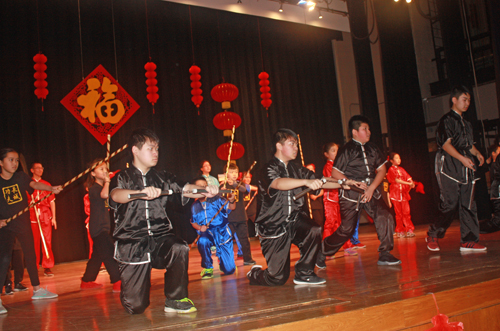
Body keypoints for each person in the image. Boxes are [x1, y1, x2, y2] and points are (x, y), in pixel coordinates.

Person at [109, 128, 218, 315]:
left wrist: (205, 190)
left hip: (160, 238)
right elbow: (116, 195)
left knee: (179, 247)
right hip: (133, 242)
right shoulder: (122, 177)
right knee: (135, 307)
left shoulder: (162, 177)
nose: (155, 153)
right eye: (150, 148)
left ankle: (175, 299)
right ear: (135, 150)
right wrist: (140, 194)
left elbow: (185, 188)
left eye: (157, 149)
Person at [247, 129, 340, 286]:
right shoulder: (268, 168)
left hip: (295, 220)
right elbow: (277, 183)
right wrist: (305, 182)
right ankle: (255, 273)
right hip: (273, 226)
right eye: (292, 144)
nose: (296, 148)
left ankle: (304, 273)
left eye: (297, 144)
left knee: (314, 229)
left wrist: (345, 184)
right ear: (279, 146)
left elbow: (321, 180)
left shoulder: (297, 168)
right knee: (277, 278)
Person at [322, 116, 401, 266]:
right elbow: (335, 173)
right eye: (365, 129)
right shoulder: (346, 150)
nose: (369, 132)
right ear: (355, 131)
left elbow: (382, 169)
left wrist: (371, 188)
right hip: (351, 194)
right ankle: (322, 251)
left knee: (385, 216)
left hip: (370, 191)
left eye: (368, 129)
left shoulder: (373, 148)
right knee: (347, 229)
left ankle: (385, 253)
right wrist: (351, 184)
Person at [0, 148, 61, 315]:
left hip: (23, 222)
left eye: (16, 160)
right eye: (10, 160)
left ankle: (37, 289)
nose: (14, 163)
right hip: (5, 226)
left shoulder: (20, 177)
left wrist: (50, 188)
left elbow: (34, 184)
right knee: (4, 259)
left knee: (31, 254)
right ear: (1, 162)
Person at [426, 86, 486, 252]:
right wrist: (461, 158)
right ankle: (433, 233)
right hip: (449, 164)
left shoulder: (466, 123)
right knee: (450, 203)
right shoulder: (446, 120)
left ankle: (468, 240)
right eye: (464, 99)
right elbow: (445, 144)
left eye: (469, 100)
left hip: (465, 165)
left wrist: (477, 153)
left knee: (469, 204)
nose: (467, 103)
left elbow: (469, 145)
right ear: (454, 100)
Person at [80, 159, 121, 292]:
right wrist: (107, 181)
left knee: (97, 256)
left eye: (105, 169)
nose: (104, 171)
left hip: (103, 227)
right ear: (92, 173)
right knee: (109, 253)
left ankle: (87, 280)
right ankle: (117, 281)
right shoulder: (93, 189)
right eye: (101, 169)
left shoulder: (103, 187)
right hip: (98, 228)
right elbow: (104, 195)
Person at [191, 177, 236, 279]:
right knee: (202, 240)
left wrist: (232, 200)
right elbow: (193, 222)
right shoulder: (194, 206)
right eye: (199, 186)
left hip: (222, 232)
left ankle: (224, 262)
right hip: (207, 232)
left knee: (229, 270)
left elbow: (232, 207)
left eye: (204, 185)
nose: (202, 188)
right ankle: (208, 267)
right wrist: (200, 227)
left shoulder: (217, 199)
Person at [221, 164, 256, 265]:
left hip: (241, 217)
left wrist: (235, 184)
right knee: (226, 240)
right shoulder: (223, 185)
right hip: (228, 218)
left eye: (236, 172)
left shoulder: (240, 184)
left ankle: (248, 259)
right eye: (231, 172)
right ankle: (225, 260)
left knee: (244, 240)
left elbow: (245, 190)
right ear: (226, 174)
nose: (234, 174)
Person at [28, 162, 56, 277]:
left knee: (47, 242)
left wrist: (54, 217)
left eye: (41, 168)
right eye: (37, 168)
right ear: (32, 170)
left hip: (45, 215)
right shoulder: (28, 184)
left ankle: (47, 266)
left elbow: (52, 202)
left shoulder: (46, 184)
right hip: (32, 216)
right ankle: (34, 267)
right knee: (33, 243)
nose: (40, 170)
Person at [387, 152, 416, 238]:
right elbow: (397, 180)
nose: (399, 160)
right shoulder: (391, 170)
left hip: (403, 194)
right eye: (396, 158)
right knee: (399, 214)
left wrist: (411, 183)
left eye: (399, 158)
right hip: (395, 194)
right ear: (391, 160)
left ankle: (409, 229)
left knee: (406, 212)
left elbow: (409, 178)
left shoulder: (402, 169)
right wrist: (408, 183)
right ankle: (400, 230)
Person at [479, 143, 500, 234]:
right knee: (497, 220)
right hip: (497, 193)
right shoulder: (495, 165)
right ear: (494, 153)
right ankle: (476, 227)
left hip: (496, 193)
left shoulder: (494, 164)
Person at [242, 172, 258, 238]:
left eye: (249, 177)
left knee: (258, 223)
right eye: (246, 177)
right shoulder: (240, 187)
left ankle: (263, 236)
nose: (248, 179)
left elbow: (259, 188)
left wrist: (258, 190)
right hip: (243, 210)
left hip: (252, 210)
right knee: (244, 227)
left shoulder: (254, 187)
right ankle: (245, 239)